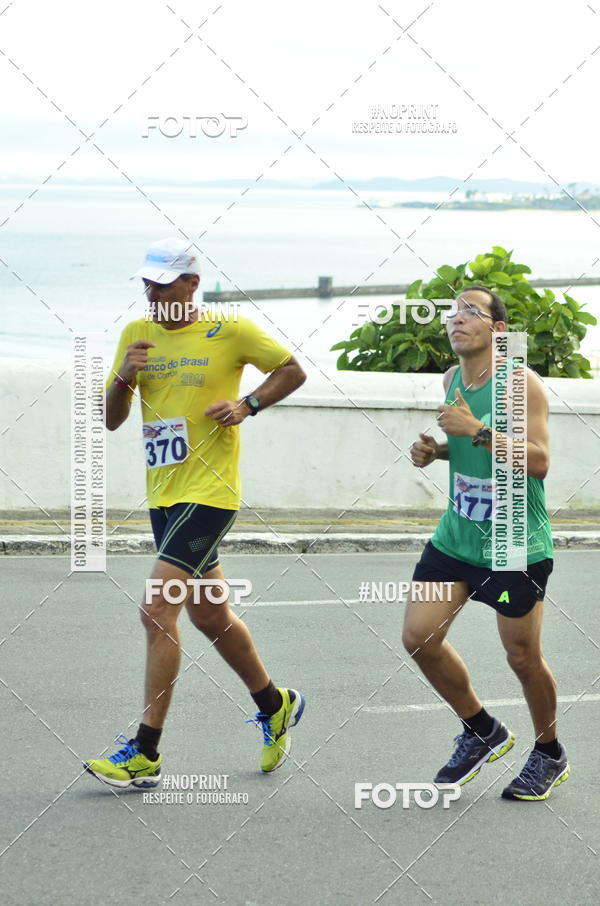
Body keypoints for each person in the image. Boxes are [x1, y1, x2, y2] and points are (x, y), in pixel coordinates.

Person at [84, 237, 307, 789]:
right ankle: (274, 702)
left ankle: (146, 751)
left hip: (210, 493)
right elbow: (111, 419)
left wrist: (246, 405)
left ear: (192, 283)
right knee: (210, 616)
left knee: (157, 610)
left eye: (164, 283)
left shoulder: (230, 331)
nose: (153, 293)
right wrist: (123, 378)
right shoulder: (137, 336)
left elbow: (292, 370)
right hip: (164, 494)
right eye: (147, 283)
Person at [406, 285, 569, 801]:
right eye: (453, 313)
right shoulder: (454, 377)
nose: (457, 319)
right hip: (457, 538)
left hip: (513, 542)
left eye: (470, 312)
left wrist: (475, 430)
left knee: (522, 657)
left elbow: (538, 461)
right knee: (419, 638)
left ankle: (549, 751)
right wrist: (440, 453)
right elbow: (475, 453)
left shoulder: (522, 386)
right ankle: (481, 729)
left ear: (498, 331)